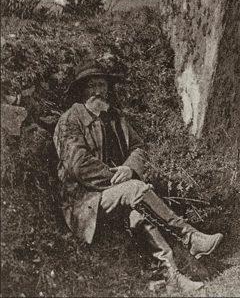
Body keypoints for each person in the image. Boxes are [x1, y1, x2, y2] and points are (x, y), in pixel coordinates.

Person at [53, 57, 224, 295]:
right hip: (84, 200)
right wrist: (119, 178)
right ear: (81, 91)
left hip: (114, 194)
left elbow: (139, 148)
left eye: (101, 85)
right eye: (91, 86)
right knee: (135, 189)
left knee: (138, 215)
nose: (97, 92)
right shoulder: (69, 121)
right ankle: (189, 236)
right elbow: (78, 165)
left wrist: (129, 169)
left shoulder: (115, 118)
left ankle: (171, 277)